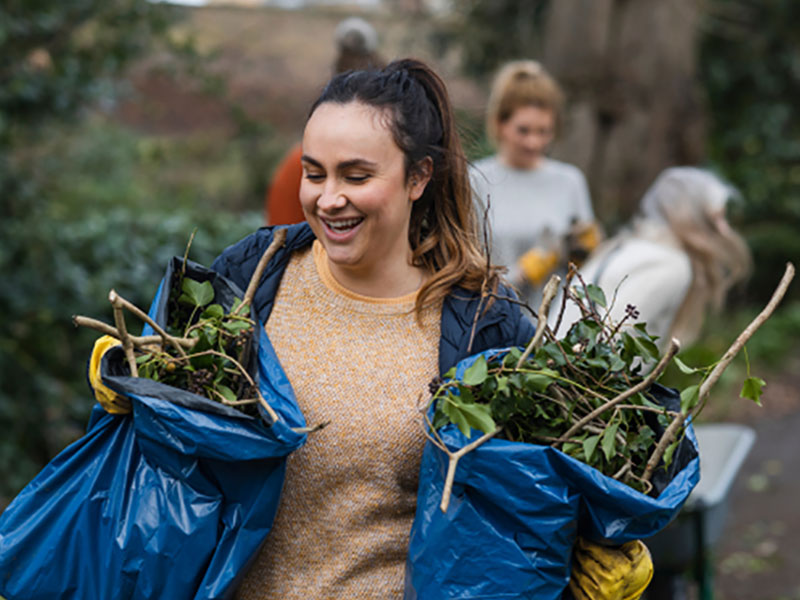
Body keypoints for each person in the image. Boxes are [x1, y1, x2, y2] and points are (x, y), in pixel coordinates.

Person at [209, 59, 652, 598]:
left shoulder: (483, 328)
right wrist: (133, 388)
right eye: (314, 172)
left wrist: (596, 548)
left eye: (356, 176)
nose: (327, 199)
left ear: (418, 176)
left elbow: (533, 505)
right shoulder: (255, 274)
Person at [552, 166, 752, 349]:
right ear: (692, 216)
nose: (724, 229)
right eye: (716, 218)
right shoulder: (669, 264)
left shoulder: (634, 247)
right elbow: (616, 343)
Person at [470, 59, 601, 314]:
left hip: (554, 332)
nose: (534, 142)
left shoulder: (569, 182)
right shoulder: (474, 179)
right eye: (523, 130)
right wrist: (522, 273)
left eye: (544, 132)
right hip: (492, 323)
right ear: (499, 123)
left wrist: (581, 252)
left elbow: (587, 270)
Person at [264, 16, 385, 226]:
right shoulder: (297, 167)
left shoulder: (396, 162)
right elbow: (280, 237)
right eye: (316, 175)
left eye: (357, 177)